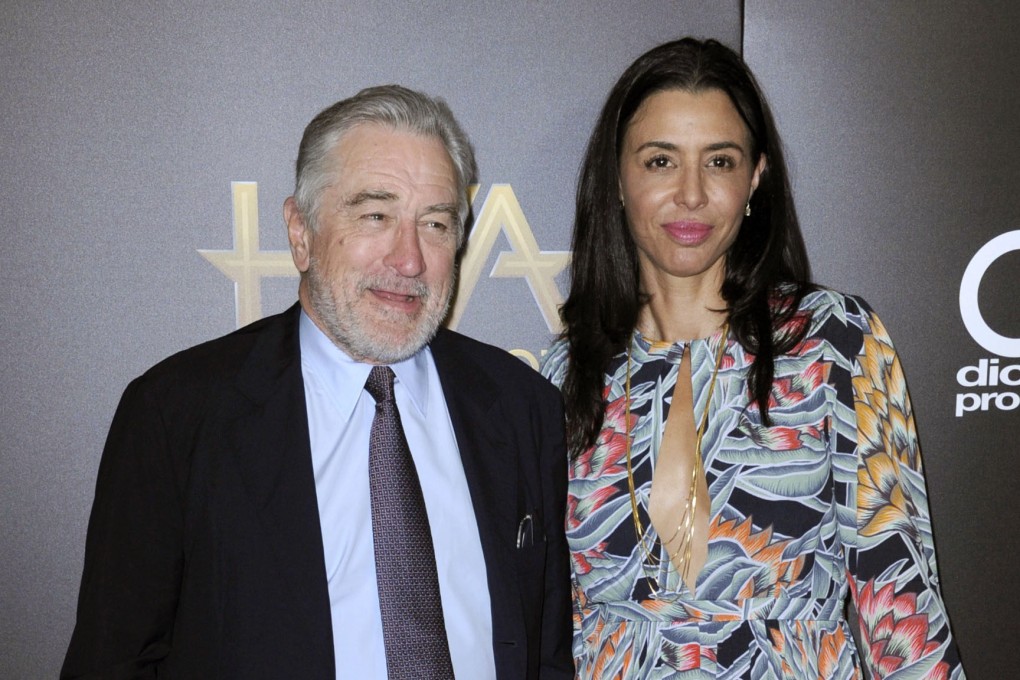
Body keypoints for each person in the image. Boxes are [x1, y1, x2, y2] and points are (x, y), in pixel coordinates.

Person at [62, 85, 573, 679]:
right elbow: (114, 661)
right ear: (300, 231)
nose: (409, 260)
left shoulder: (521, 405)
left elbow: (545, 656)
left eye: (435, 224)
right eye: (376, 215)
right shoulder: (176, 414)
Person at [541, 38, 965, 679]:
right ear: (618, 179)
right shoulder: (566, 373)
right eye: (660, 161)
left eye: (719, 161)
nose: (690, 194)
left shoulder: (831, 343)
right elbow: (552, 620)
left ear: (755, 177)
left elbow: (899, 603)